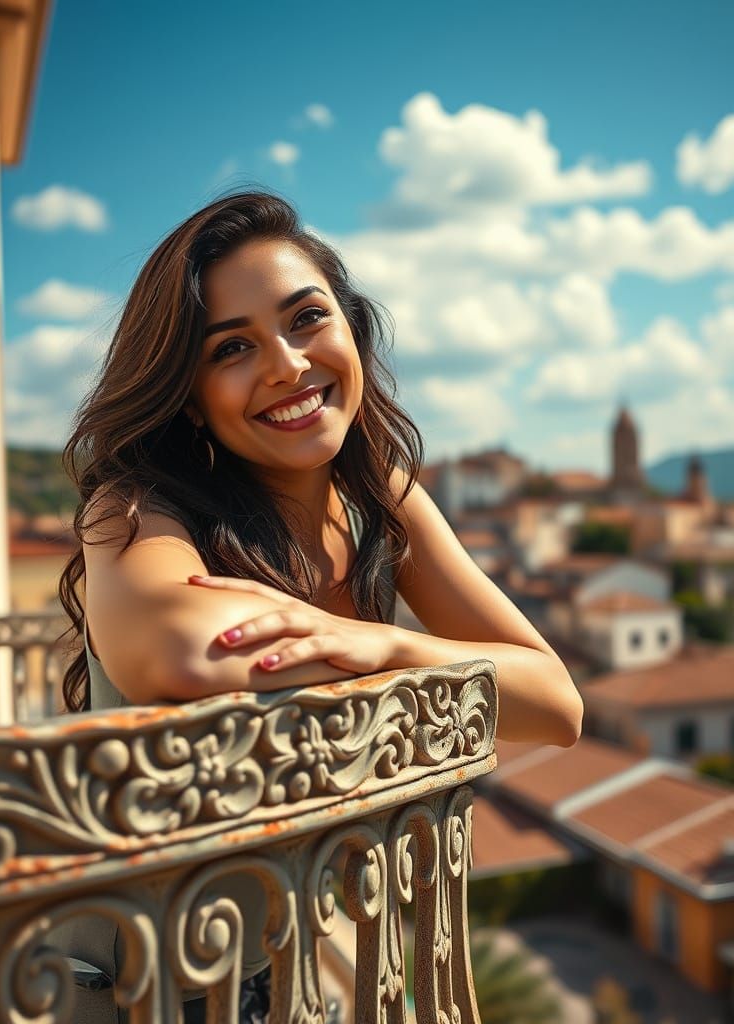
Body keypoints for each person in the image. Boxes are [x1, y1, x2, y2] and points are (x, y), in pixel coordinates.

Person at [56, 190, 583, 1022]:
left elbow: (556, 703)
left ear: (352, 330)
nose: (287, 365)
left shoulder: (384, 498)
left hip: (283, 955)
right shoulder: (135, 507)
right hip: (135, 985)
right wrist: (396, 652)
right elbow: (190, 652)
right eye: (232, 347)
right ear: (188, 392)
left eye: (307, 319)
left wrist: (382, 647)